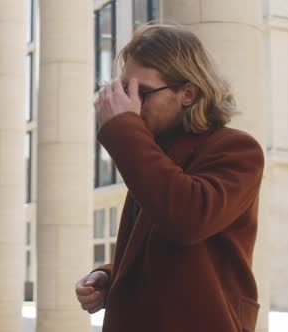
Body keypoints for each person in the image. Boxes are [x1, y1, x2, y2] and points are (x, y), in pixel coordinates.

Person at [75, 25, 265, 332]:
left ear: (188, 93)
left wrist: (125, 131)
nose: (130, 104)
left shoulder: (237, 149)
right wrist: (110, 276)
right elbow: (166, 250)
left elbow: (187, 219)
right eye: (124, 90)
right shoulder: (152, 154)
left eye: (142, 92)